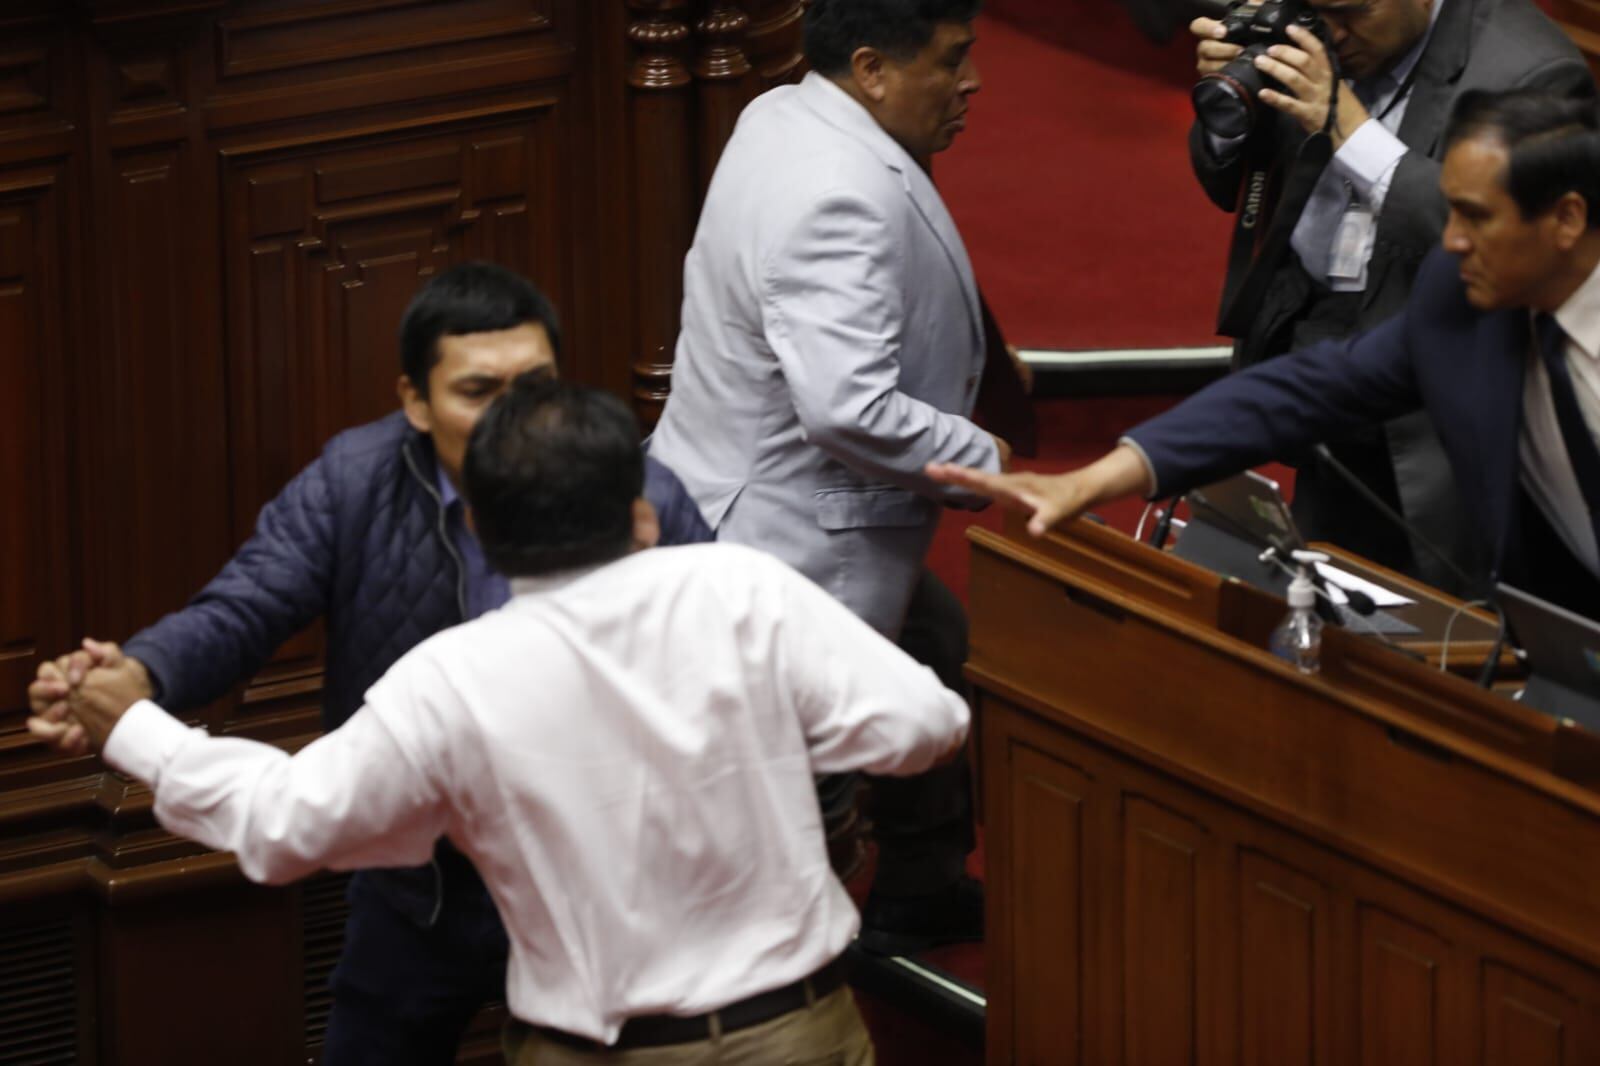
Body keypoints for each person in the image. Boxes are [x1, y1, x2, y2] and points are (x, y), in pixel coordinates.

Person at [29, 374, 971, 1065]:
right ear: (642, 517)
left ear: (478, 527)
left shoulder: (451, 679)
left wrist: (131, 726)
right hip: (795, 1037)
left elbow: (282, 826)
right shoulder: (744, 590)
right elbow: (925, 725)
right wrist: (762, 734)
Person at [27, 263, 713, 1065]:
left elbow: (714, 669)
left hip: (599, 888)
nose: (513, 417)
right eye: (479, 390)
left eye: (535, 384)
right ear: (415, 401)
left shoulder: (642, 496)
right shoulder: (355, 481)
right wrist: (132, 682)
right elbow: (246, 607)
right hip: (422, 886)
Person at [931, 88, 1600, 621]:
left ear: (1566, 221)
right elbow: (1306, 390)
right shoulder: (1460, 297)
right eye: (1450, 213)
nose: (1450, 240)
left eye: (1475, 216)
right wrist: (1099, 477)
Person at [647, 0, 1000, 955]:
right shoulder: (836, 188)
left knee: (935, 642)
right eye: (954, 61)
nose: (973, 84)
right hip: (785, 545)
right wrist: (993, 468)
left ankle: (920, 878)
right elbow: (846, 407)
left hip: (729, 488)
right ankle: (787, 971)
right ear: (875, 68)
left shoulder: (783, 113)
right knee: (792, 794)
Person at [1189, 0, 1592, 589]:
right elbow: (1234, 181)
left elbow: (1494, 243)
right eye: (1315, 8)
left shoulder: (1530, 72)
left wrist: (1351, 131)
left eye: (1351, 12)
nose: (1334, 32)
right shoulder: (1310, 22)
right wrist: (1230, 109)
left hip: (1431, 408)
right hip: (1316, 349)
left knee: (1434, 625)